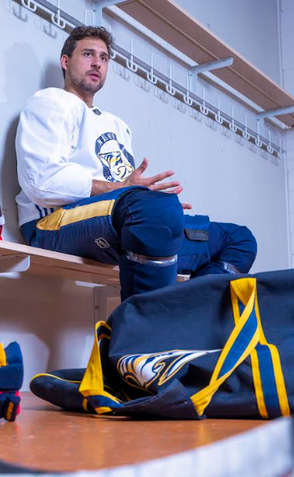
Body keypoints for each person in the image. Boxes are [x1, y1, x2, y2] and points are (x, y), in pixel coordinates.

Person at [15, 26, 257, 301]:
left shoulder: (117, 125)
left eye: (104, 58)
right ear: (65, 61)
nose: (97, 63)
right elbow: (41, 181)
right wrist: (126, 193)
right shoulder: (50, 102)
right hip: (52, 224)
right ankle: (147, 336)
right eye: (88, 54)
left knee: (237, 239)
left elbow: (126, 190)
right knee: (154, 211)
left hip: (117, 222)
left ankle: (190, 316)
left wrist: (151, 199)